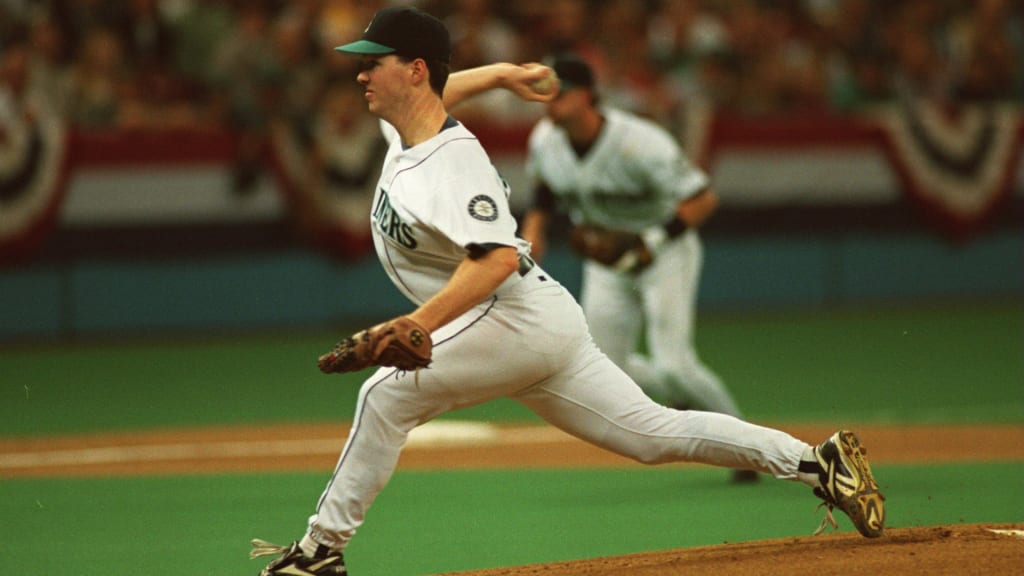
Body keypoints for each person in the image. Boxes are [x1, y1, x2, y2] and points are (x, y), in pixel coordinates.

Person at [250, 7, 885, 576]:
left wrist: (420, 323)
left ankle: (319, 551)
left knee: (383, 396)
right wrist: (501, 74)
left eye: (375, 63)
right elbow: (443, 91)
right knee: (652, 434)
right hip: (536, 319)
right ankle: (817, 462)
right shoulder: (407, 128)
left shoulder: (451, 165)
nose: (361, 74)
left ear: (414, 71)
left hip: (512, 317)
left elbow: (497, 258)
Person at [517, 53, 753, 482]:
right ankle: (682, 399)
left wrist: (651, 242)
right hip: (607, 261)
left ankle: (746, 448)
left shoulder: (640, 142)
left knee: (676, 364)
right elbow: (544, 191)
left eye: (559, 91)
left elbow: (703, 199)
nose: (550, 100)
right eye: (543, 92)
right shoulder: (546, 139)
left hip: (665, 252)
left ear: (587, 95)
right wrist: (533, 235)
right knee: (608, 368)